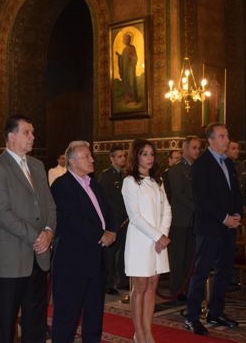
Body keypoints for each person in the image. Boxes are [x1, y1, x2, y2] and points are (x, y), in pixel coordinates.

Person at [0, 115, 56, 343]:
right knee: (6, 323)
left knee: (35, 323)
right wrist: (37, 237)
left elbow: (50, 205)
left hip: (38, 256)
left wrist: (49, 232)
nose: (32, 137)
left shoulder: (37, 165)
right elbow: (2, 213)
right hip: (10, 258)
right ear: (11, 136)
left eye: (32, 132)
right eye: (27, 132)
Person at [50, 141, 116, 343]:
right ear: (72, 161)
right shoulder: (61, 185)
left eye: (90, 155)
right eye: (86, 156)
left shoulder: (94, 184)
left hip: (96, 258)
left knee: (94, 314)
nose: (92, 159)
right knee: (67, 315)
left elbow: (108, 210)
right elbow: (72, 219)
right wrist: (100, 234)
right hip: (73, 261)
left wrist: (112, 231)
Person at [185, 123, 242, 335]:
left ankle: (215, 311)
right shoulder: (201, 165)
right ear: (210, 140)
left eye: (227, 136)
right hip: (209, 228)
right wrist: (224, 217)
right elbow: (202, 199)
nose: (227, 140)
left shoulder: (229, 163)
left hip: (228, 227)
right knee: (201, 272)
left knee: (224, 271)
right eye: (222, 136)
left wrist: (237, 214)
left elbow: (235, 192)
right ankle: (192, 317)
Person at [123, 139, 172, 343]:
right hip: (140, 241)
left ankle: (147, 330)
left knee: (152, 285)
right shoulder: (130, 182)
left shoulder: (156, 180)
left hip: (159, 242)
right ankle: (139, 333)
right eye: (144, 154)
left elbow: (167, 209)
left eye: (152, 154)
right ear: (136, 156)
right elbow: (135, 216)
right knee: (141, 286)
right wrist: (157, 236)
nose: (149, 158)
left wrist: (163, 235)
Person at [165, 135, 201, 300]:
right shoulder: (176, 169)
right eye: (194, 148)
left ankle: (188, 288)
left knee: (190, 257)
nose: (197, 151)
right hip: (180, 220)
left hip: (194, 220)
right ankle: (177, 290)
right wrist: (198, 207)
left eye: (198, 148)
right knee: (178, 257)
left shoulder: (198, 168)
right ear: (185, 149)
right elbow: (179, 195)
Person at [98, 145, 128, 294]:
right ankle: (108, 283)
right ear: (112, 158)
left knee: (124, 251)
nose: (123, 159)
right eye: (119, 156)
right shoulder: (106, 175)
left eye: (124, 156)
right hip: (113, 219)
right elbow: (104, 200)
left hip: (126, 219)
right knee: (110, 253)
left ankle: (123, 280)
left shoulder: (125, 175)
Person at [116, 32, 138, 104]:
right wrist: (119, 56)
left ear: (130, 40)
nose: (126, 40)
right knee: (126, 83)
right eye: (125, 39)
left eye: (128, 39)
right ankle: (128, 98)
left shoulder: (132, 48)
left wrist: (130, 57)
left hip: (130, 68)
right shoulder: (124, 49)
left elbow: (135, 58)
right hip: (125, 69)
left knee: (132, 83)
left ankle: (134, 99)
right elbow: (122, 58)